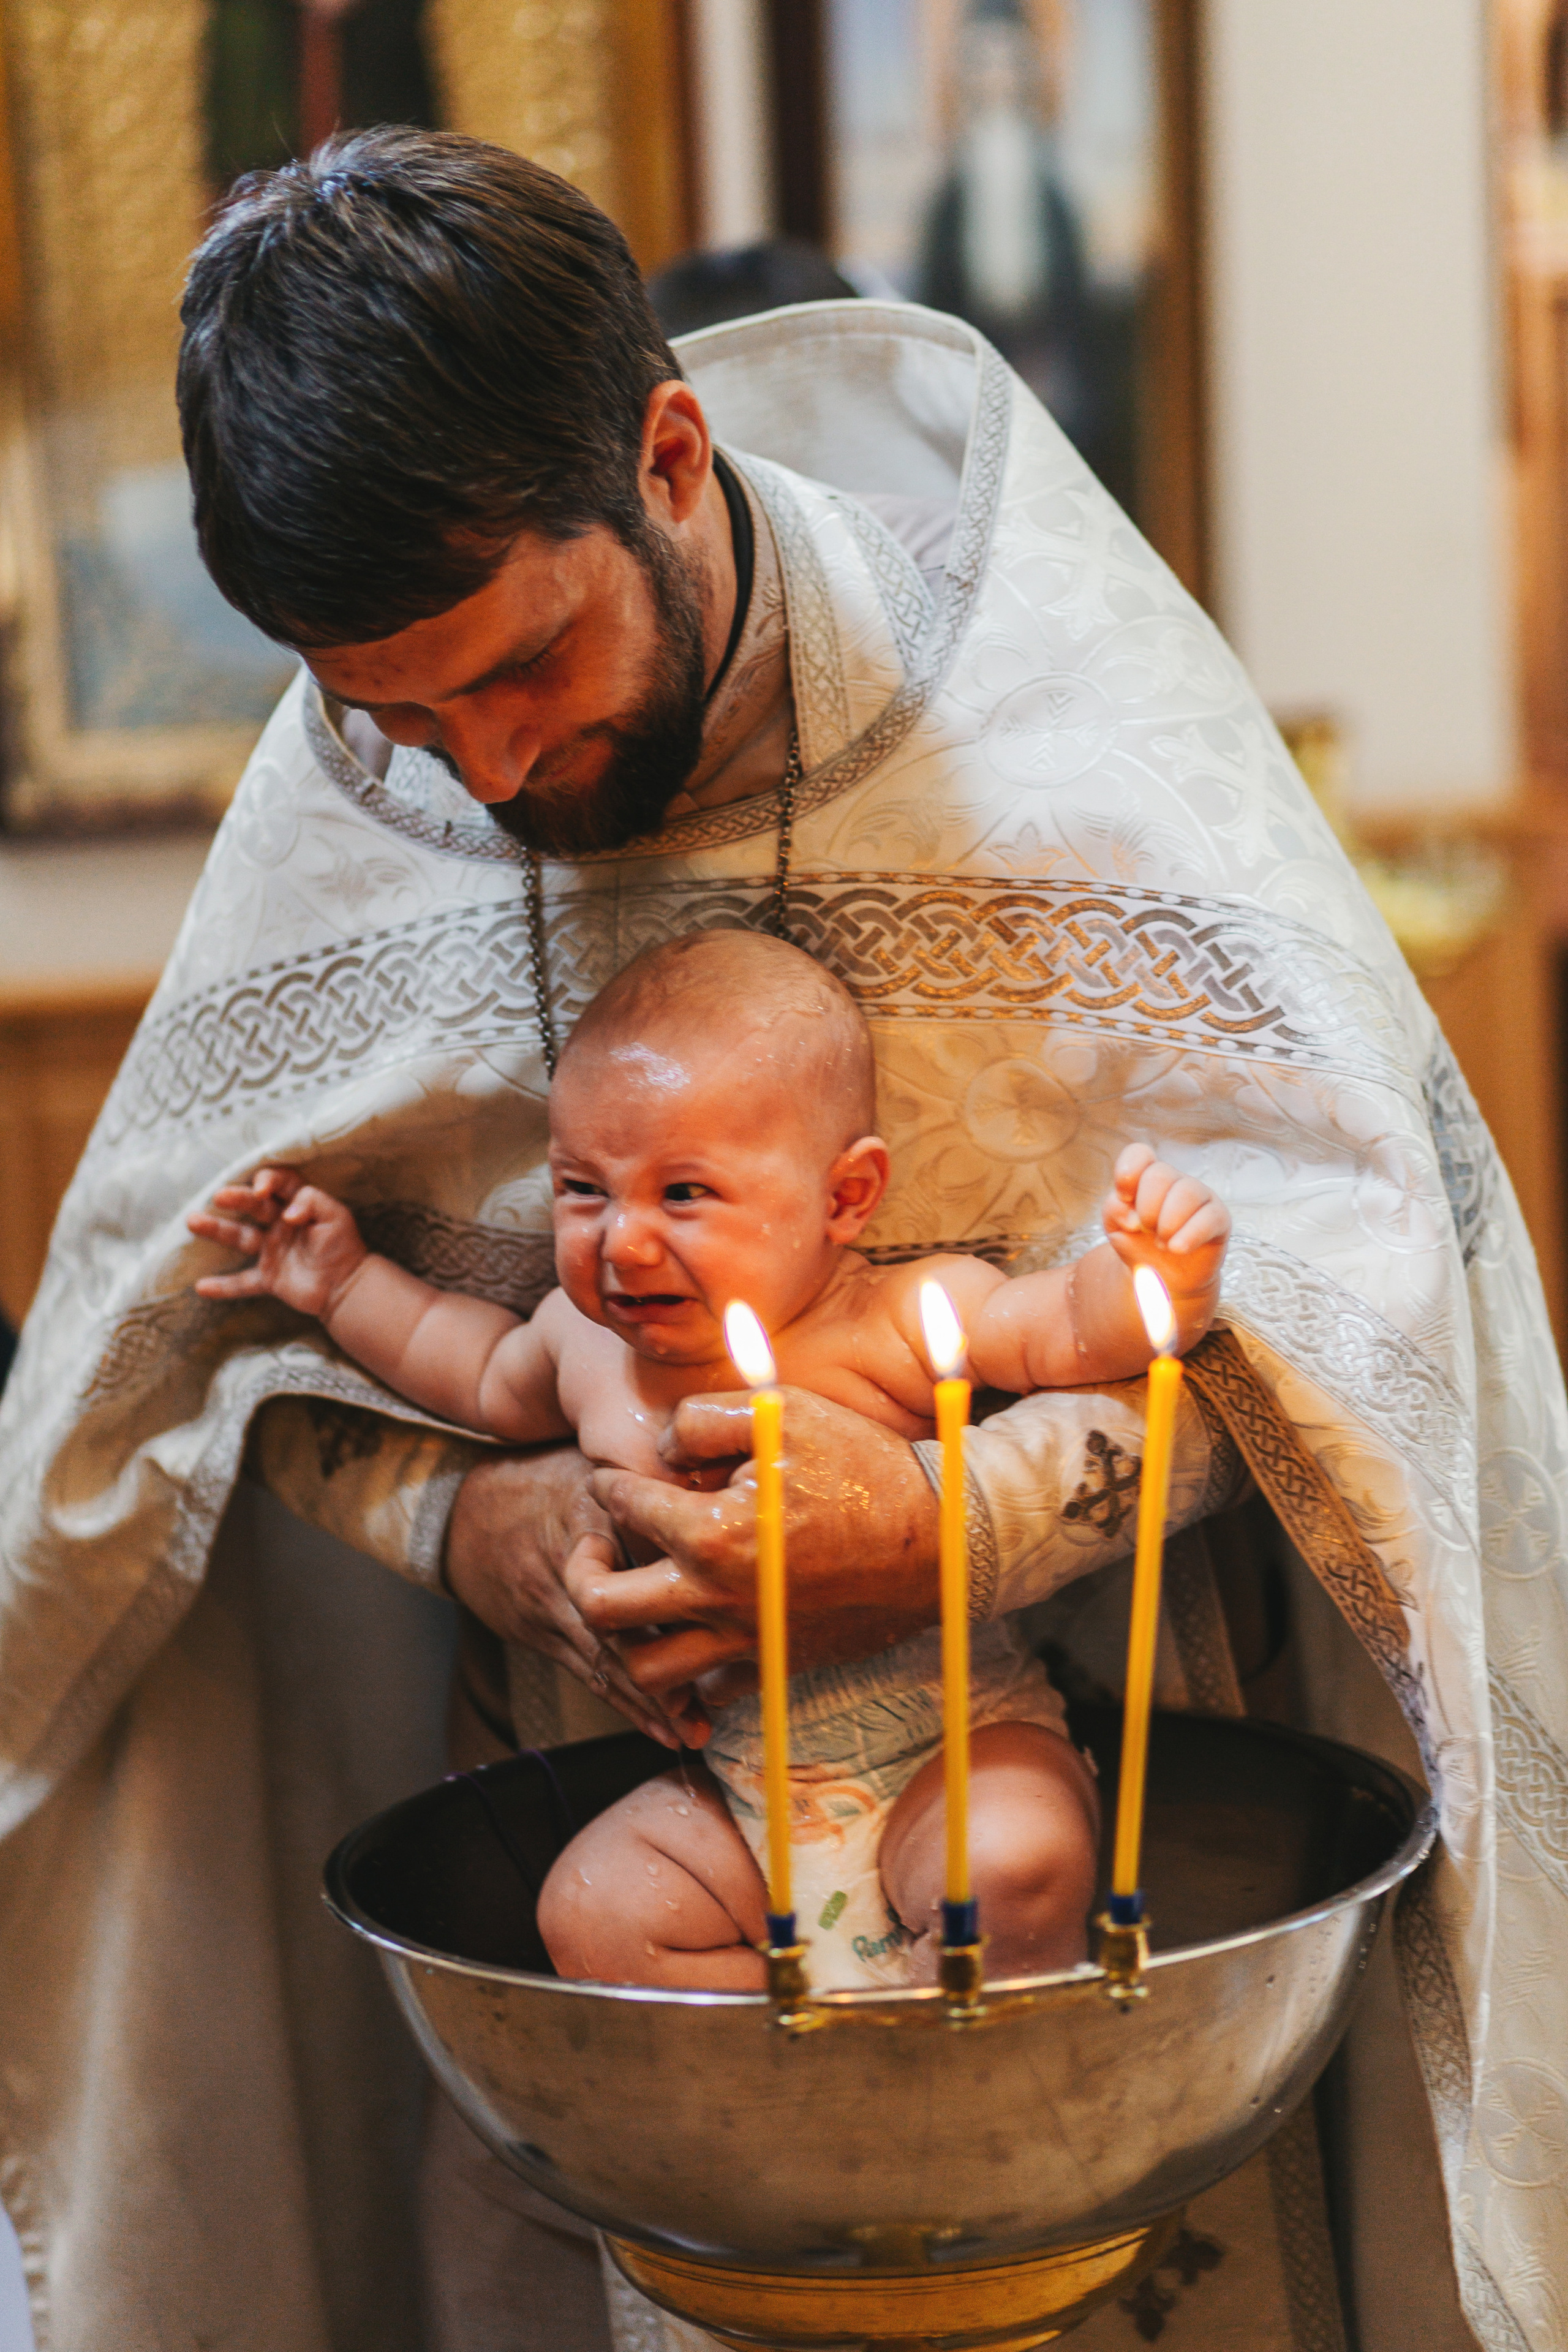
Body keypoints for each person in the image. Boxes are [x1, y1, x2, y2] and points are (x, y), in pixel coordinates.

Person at [0, 123, 1547, 2352]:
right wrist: (492, 1533)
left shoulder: (1045, 725)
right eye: (389, 712)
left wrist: (945, 1519)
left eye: (520, 667)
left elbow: (1329, 1330)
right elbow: (205, 1388)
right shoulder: (377, 793)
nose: (485, 773)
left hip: (1077, 1855)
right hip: (610, 1874)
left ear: (666, 450)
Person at [186, 929, 1229, 1989]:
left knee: (1018, 1863)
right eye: (583, 1189)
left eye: (685, 1193)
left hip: (957, 1743)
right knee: (592, 1916)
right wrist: (342, 1282)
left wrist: (1154, 1282)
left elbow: (1061, 1331)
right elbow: (466, 1367)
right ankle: (811, 2045)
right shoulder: (581, 1346)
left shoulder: (903, 1316)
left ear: (845, 1199)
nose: (623, 1242)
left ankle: (949, 2044)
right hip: (739, 1791)